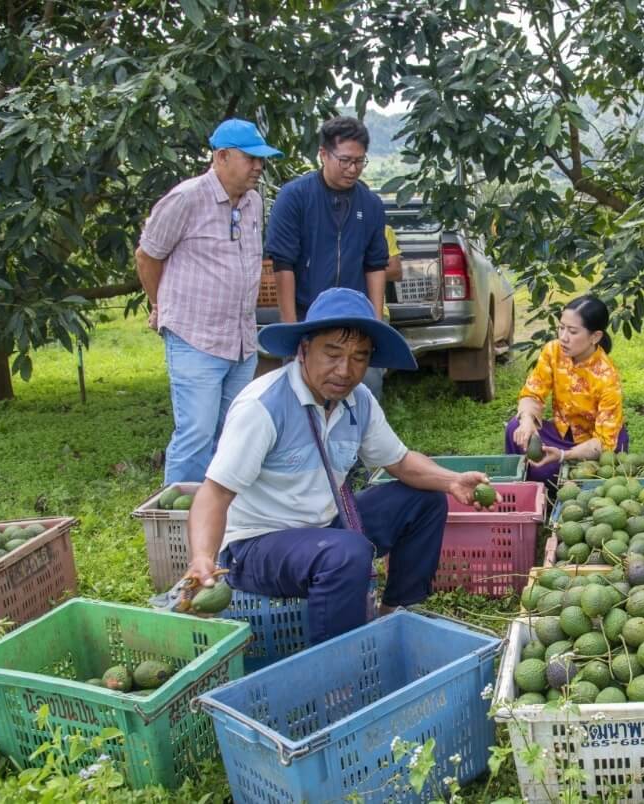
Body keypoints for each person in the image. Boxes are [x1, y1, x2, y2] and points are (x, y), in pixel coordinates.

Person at [184, 287, 492, 645]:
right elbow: (215, 493)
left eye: (359, 357)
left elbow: (401, 462)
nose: (345, 370)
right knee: (347, 553)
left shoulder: (357, 402)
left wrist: (452, 481)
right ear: (304, 350)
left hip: (324, 527)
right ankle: (337, 669)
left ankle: (397, 615)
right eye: (332, 353)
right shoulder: (263, 406)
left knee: (424, 501)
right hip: (256, 546)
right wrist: (203, 557)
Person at [136, 118, 282, 484]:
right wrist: (160, 306)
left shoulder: (251, 201)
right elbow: (147, 256)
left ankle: (223, 522)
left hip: (241, 340)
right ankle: (179, 530)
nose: (259, 167)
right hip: (194, 337)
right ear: (222, 156)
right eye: (251, 159)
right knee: (196, 435)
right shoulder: (186, 198)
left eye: (261, 159)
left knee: (233, 436)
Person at [264, 116, 390, 398]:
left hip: (354, 317)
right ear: (323, 154)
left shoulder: (370, 205)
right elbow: (283, 265)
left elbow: (375, 265)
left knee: (366, 389)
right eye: (345, 160)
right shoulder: (294, 197)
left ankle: (356, 442)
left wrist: (376, 323)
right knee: (305, 394)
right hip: (307, 316)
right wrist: (290, 330)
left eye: (359, 161)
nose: (352, 169)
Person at [505, 295, 629, 485]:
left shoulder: (607, 377)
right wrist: (527, 420)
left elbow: (604, 442)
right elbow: (532, 393)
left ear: (595, 337)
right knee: (516, 427)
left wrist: (564, 455)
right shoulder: (552, 351)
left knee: (570, 469)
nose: (563, 337)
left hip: (595, 446)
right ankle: (531, 485)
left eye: (572, 331)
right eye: (561, 328)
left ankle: (552, 480)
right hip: (562, 435)